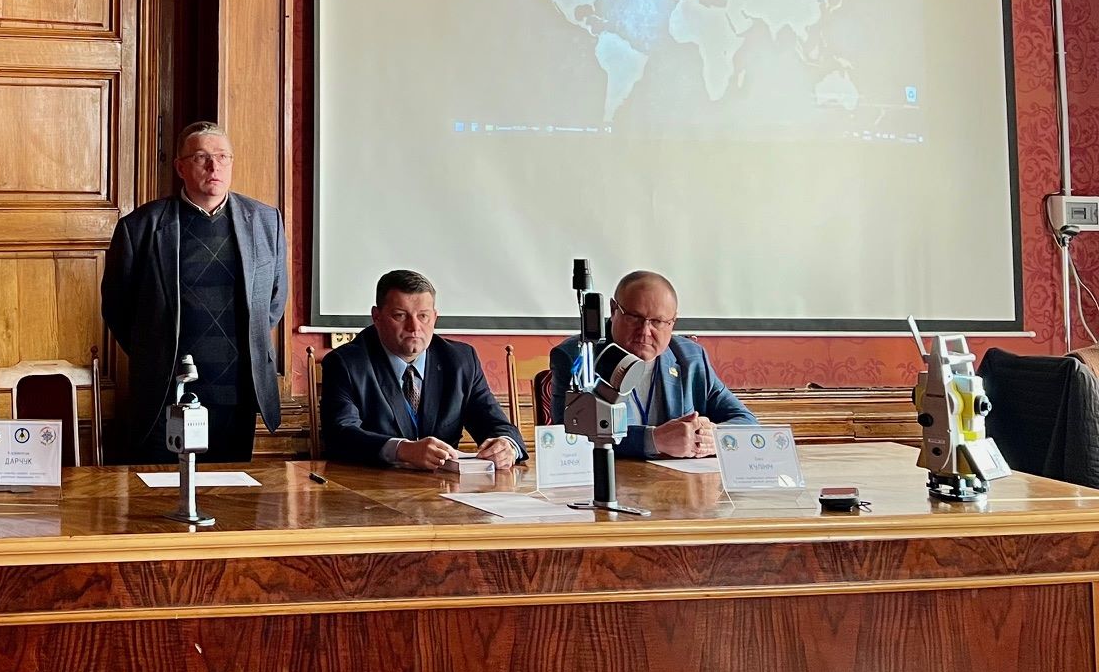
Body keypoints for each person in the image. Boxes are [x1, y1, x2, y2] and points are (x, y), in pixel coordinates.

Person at [101, 120, 286, 463]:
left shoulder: (265, 221)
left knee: (231, 492)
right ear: (180, 167)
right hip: (165, 393)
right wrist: (156, 351)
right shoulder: (140, 228)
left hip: (237, 393)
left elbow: (273, 302)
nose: (214, 167)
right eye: (201, 157)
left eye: (222, 157)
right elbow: (117, 307)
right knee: (160, 489)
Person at [320, 270, 525, 470]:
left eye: (423, 316)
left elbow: (497, 425)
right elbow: (340, 435)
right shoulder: (346, 364)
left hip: (446, 486)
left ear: (435, 317)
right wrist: (402, 450)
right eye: (400, 315)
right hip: (373, 485)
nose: (414, 327)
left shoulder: (460, 360)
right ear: (377, 317)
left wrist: (507, 447)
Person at [547, 269, 756, 459]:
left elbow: (747, 422)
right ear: (613, 309)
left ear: (673, 322)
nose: (645, 331)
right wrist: (653, 440)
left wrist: (711, 437)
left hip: (679, 483)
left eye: (657, 321)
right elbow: (570, 437)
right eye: (634, 318)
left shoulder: (691, 357)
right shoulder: (578, 355)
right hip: (611, 480)